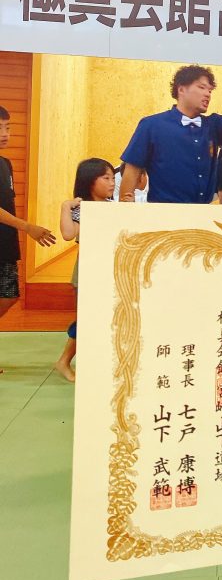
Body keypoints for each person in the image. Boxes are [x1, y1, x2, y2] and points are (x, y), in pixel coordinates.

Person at [119, 64, 222, 203]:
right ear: (181, 89)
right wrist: (126, 203)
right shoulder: (151, 125)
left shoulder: (212, 124)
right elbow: (133, 167)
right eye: (201, 87)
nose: (207, 94)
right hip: (163, 211)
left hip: (202, 213)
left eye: (210, 90)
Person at [56, 157, 115, 382]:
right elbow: (69, 233)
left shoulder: (112, 207)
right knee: (87, 318)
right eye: (106, 178)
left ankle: (90, 362)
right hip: (89, 271)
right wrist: (64, 207)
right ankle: (64, 361)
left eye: (112, 178)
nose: (112, 183)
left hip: (110, 270)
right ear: (90, 181)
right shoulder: (81, 208)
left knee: (104, 318)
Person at [0, 105, 56, 337]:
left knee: (9, 295)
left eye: (7, 127)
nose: (5, 133)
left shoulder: (6, 164)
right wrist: (27, 227)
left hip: (6, 244)